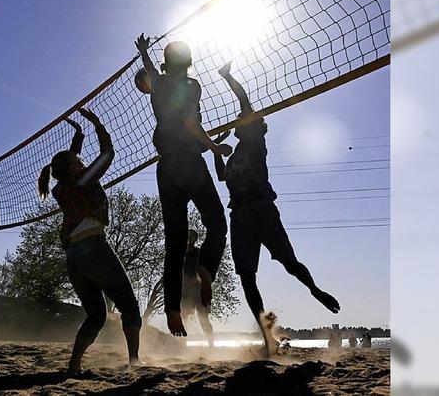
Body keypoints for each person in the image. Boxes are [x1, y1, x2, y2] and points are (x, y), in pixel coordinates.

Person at [213, 61, 341, 355]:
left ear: (255, 127)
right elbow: (222, 176)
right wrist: (215, 151)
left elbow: (244, 101)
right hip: (241, 215)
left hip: (261, 208)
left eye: (245, 121)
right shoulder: (234, 157)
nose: (239, 121)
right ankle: (266, 335)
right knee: (247, 277)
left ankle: (315, 290)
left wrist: (228, 76)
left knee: (289, 263)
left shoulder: (255, 143)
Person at [135, 34, 232, 337]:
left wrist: (143, 52)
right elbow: (191, 122)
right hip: (189, 161)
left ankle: (172, 310)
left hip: (165, 167)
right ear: (190, 63)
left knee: (174, 243)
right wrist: (214, 148)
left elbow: (150, 73)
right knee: (216, 223)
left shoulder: (159, 84)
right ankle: (206, 269)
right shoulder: (191, 86)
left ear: (165, 65)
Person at [38, 108, 142, 373]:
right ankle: (134, 361)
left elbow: (65, 164)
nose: (83, 162)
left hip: (73, 256)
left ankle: (74, 364)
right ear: (73, 167)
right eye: (78, 160)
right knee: (129, 304)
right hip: (92, 247)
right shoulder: (83, 180)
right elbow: (108, 153)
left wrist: (78, 136)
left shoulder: (59, 187)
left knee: (96, 316)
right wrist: (96, 123)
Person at [180, 229, 215, 347]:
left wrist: (195, 280)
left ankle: (211, 345)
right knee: (183, 317)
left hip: (198, 289)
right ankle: (181, 345)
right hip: (184, 289)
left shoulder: (199, 253)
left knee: (203, 317)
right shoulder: (180, 254)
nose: (189, 238)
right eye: (188, 236)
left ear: (195, 239)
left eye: (192, 236)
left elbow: (203, 269)